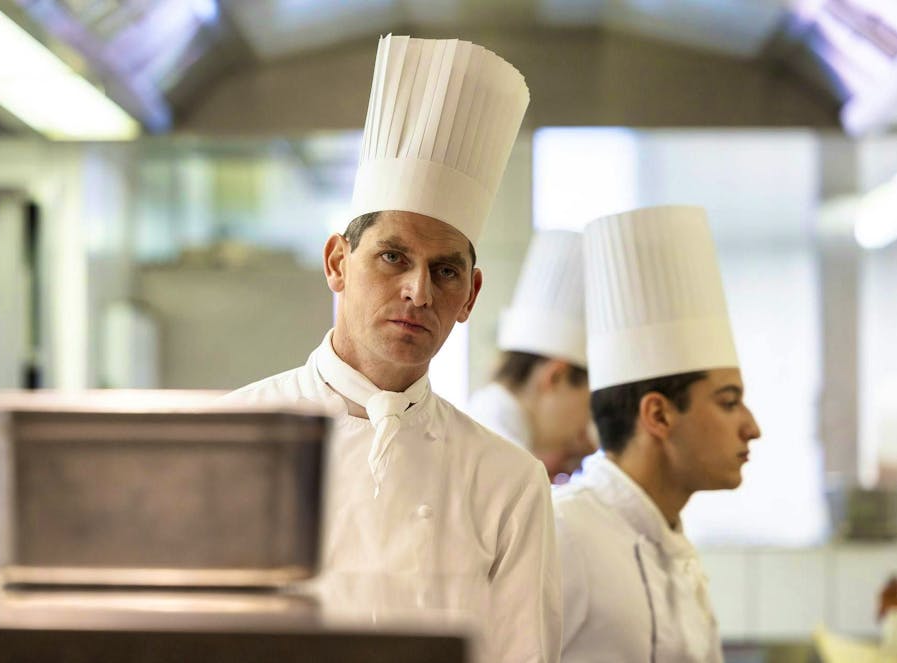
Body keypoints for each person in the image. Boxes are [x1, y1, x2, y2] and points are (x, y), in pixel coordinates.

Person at [220, 35, 561, 663]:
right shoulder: (233, 437)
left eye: (445, 271)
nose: (417, 290)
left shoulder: (507, 484)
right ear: (337, 263)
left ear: (471, 296)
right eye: (393, 256)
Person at [554, 205, 762, 662]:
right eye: (728, 402)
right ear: (659, 416)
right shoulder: (563, 533)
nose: (753, 428)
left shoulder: (674, 545)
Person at [467, 229, 595, 483]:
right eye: (589, 405)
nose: (587, 428)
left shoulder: (488, 434)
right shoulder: (504, 464)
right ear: (556, 376)